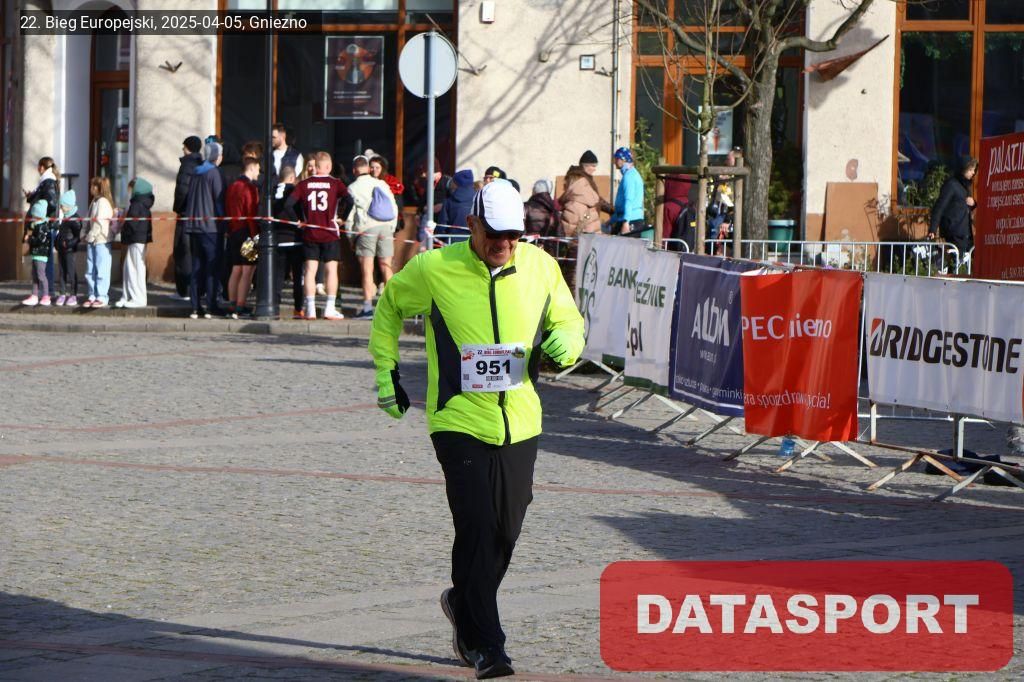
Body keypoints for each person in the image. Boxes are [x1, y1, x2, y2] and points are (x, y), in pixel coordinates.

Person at [368, 179, 585, 680]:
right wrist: (386, 372)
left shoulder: (541, 267)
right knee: (479, 525)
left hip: (520, 420)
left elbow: (570, 321)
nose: (504, 244)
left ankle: (462, 602)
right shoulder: (434, 268)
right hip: (457, 418)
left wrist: (566, 345)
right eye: (495, 233)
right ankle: (488, 646)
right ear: (472, 225)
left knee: (505, 529)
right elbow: (389, 307)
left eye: (513, 235)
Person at [282, 151, 349, 320]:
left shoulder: (304, 184)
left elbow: (288, 204)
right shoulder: (335, 183)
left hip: (310, 232)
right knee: (331, 270)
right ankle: (329, 308)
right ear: (328, 166)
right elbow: (350, 200)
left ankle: (310, 309)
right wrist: (343, 218)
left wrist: (297, 220)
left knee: (310, 271)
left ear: (315, 166)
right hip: (330, 232)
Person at [348, 155, 399, 320]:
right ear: (368, 168)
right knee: (386, 266)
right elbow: (393, 207)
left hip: (366, 229)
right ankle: (393, 307)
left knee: (367, 269)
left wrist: (350, 236)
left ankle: (368, 308)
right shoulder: (381, 184)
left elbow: (351, 215)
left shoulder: (352, 188)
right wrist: (391, 228)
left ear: (354, 170)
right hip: (386, 228)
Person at [184, 140, 226, 319]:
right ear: (217, 156)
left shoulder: (195, 172)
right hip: (210, 227)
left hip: (194, 225)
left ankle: (195, 306)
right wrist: (224, 221)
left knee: (197, 266)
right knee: (212, 267)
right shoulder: (214, 173)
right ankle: (211, 305)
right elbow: (219, 199)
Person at [225, 158, 261, 318]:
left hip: (233, 231)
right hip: (247, 232)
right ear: (251, 168)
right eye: (258, 169)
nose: (259, 173)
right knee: (248, 270)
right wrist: (255, 236)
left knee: (236, 269)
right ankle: (240, 306)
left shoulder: (232, 186)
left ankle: (232, 304)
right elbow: (251, 213)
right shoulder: (249, 188)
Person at [928, 155, 978, 261]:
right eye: (970, 170)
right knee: (956, 263)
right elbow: (939, 207)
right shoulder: (951, 185)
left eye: (974, 170)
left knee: (966, 262)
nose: (973, 173)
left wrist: (973, 203)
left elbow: (963, 207)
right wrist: (933, 229)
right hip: (954, 232)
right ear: (963, 169)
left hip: (965, 233)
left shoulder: (965, 187)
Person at [272, 165, 305, 319]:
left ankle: (275, 308)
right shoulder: (295, 191)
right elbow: (295, 209)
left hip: (278, 239)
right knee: (297, 277)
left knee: (278, 277)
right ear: (292, 178)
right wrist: (297, 221)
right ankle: (298, 309)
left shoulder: (271, 191)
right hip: (294, 238)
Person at [115, 177, 154, 308]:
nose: (129, 192)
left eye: (131, 189)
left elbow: (132, 223)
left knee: (135, 269)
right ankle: (127, 296)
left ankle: (138, 298)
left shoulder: (137, 204)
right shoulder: (141, 202)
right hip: (137, 238)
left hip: (136, 238)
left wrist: (124, 229)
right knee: (129, 268)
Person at [23, 157, 61, 290]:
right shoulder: (46, 182)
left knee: (45, 261)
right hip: (45, 225)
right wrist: (31, 197)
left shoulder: (48, 181)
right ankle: (44, 292)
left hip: (46, 226)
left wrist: (41, 218)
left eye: (38, 166)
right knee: (42, 262)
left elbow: (50, 203)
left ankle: (47, 292)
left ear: (42, 167)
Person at [173, 136, 203, 298]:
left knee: (182, 252)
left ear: (188, 148)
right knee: (194, 252)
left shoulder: (187, 165)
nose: (182, 150)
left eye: (184, 147)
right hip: (198, 214)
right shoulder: (201, 163)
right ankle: (195, 289)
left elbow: (182, 190)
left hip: (185, 214)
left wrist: (178, 208)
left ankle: (185, 290)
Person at [84, 176, 116, 308]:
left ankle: (102, 296)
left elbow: (99, 222)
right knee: (90, 269)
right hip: (92, 240)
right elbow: (88, 219)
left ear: (99, 188)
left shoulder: (103, 202)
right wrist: (84, 233)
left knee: (101, 269)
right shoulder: (94, 201)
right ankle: (92, 294)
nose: (91, 188)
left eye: (93, 186)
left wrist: (91, 235)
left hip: (101, 240)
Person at [413, 158, 451, 251]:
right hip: (427, 222)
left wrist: (441, 206)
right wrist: (418, 213)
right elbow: (423, 201)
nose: (423, 175)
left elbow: (452, 201)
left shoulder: (447, 182)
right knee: (423, 248)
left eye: (425, 172)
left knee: (437, 249)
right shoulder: (428, 184)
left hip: (440, 224)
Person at [54, 190, 82, 306]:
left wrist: (68, 244)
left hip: (69, 250)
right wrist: (57, 242)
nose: (61, 208)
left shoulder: (75, 219)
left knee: (71, 272)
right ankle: (62, 293)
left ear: (69, 205)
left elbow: (78, 237)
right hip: (61, 250)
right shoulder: (65, 217)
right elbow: (62, 233)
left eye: (62, 205)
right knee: (62, 272)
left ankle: (73, 294)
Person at [21, 200, 52, 306]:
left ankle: (46, 295)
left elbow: (40, 240)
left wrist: (29, 238)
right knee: (34, 276)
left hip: (41, 255)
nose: (32, 217)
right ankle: (34, 295)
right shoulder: (35, 225)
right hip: (36, 254)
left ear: (38, 215)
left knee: (41, 275)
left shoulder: (43, 227)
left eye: (34, 215)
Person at [558, 165, 603, 237]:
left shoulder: (573, 206)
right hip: (594, 242)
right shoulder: (591, 202)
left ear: (570, 183)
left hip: (579, 243)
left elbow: (567, 234)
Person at [611, 147, 644, 235]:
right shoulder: (631, 173)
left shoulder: (629, 176)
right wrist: (611, 220)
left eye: (616, 158)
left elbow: (629, 200)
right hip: (630, 219)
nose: (614, 162)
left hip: (630, 221)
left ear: (623, 160)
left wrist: (626, 222)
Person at [436, 169, 475, 244]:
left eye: (453, 181)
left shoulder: (449, 202)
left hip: (453, 243)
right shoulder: (479, 200)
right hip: (474, 243)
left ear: (456, 183)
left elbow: (441, 227)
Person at [271, 123, 303, 188]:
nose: (271, 140)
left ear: (283, 136)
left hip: (288, 191)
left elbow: (298, 177)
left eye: (274, 137)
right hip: (272, 191)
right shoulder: (268, 155)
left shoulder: (296, 155)